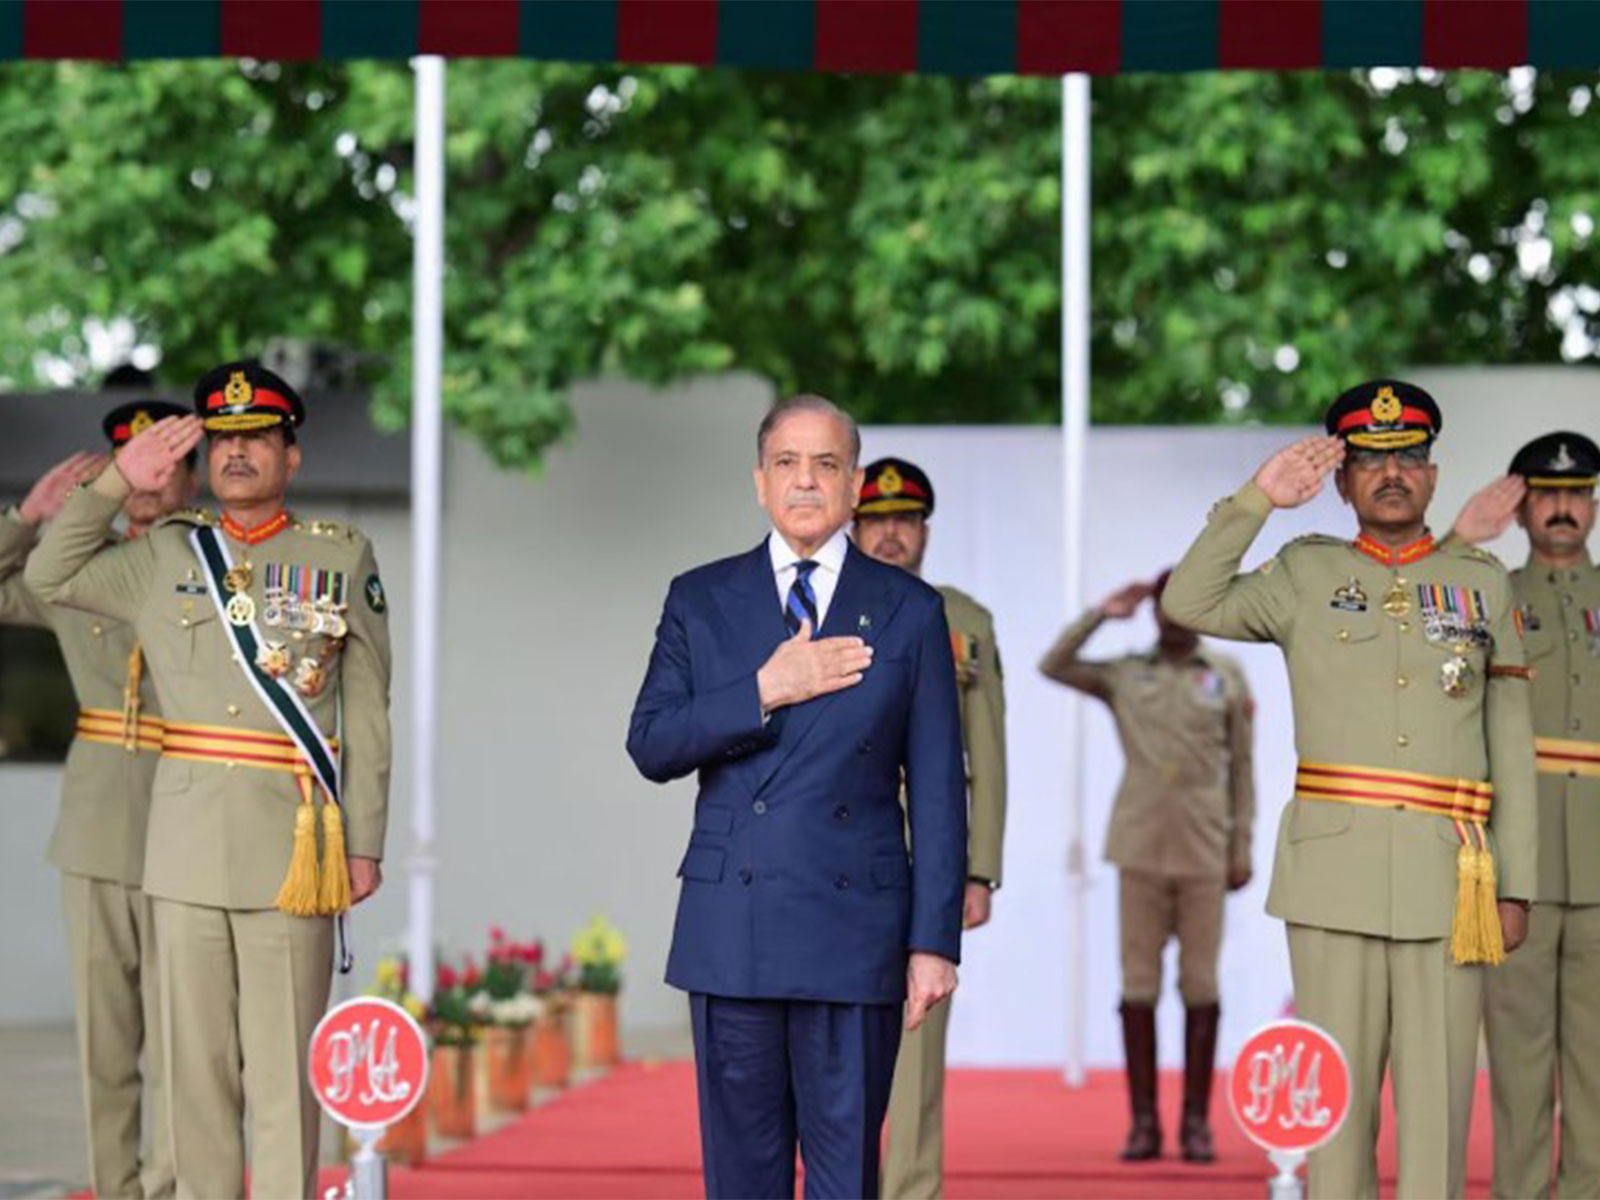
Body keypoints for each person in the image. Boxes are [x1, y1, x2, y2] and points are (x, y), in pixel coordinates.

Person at [1161, 379, 1536, 1199]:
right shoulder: (1303, 572)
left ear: (1433, 474)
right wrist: (1260, 498)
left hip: (1454, 880)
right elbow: (1188, 600)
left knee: (1439, 1109)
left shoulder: (1482, 582)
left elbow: (1510, 743)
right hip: (1334, 880)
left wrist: (1521, 882)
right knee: (1335, 1107)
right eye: (1370, 462)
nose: (1391, 475)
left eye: (1407, 459)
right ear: (1342, 483)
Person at [25, 363, 393, 1200]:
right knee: (194, 1080)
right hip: (183, 852)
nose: (236, 454)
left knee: (280, 1081)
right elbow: (47, 577)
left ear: (290, 456)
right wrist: (120, 479)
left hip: (288, 854)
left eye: (257, 437)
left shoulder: (339, 557)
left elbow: (369, 711)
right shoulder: (161, 551)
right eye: (222, 440)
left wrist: (363, 843)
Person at [626, 395, 967, 1200]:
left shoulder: (910, 610)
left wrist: (934, 943)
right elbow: (652, 744)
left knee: (846, 1175)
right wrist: (764, 689)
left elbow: (941, 789)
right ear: (759, 482)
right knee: (742, 1175)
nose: (805, 482)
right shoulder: (700, 598)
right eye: (787, 463)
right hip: (731, 924)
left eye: (825, 465)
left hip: (856, 933)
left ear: (852, 485)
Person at [0, 399, 195, 1199]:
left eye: (161, 462)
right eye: (130, 462)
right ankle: (115, 1189)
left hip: (192, 816)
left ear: (189, 475)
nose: (145, 480)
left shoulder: (217, 564)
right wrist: (27, 518)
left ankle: (176, 1186)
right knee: (107, 1045)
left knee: (193, 1038)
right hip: (95, 826)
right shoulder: (76, 572)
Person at [1039, 569, 1254, 1164]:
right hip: (1139, 850)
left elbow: (1243, 768)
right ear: (1155, 611)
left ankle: (1195, 1124)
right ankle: (1142, 1123)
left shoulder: (1227, 676)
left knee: (1201, 986)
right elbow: (1053, 664)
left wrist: (1242, 849)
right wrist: (1101, 615)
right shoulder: (1127, 674)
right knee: (1138, 986)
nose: (1176, 616)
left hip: (1205, 850)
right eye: (1166, 605)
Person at [852, 457, 1007, 1200]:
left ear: (924, 532)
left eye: (905, 521)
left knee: (915, 1047)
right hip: (836, 855)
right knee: (831, 1049)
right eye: (877, 521)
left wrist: (978, 871)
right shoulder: (821, 611)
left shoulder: (963, 623)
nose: (890, 536)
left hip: (927, 861)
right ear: (853, 527)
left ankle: (910, 1191)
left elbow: (989, 753)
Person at [1452, 431, 1600, 1198]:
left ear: (1595, 506)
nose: (1565, 509)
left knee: (1596, 1063)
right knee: (1517, 1058)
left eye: (1578, 495)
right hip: (1519, 860)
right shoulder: (1488, 594)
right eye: (1549, 495)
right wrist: (1456, 540)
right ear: (1522, 508)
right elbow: (1424, 649)